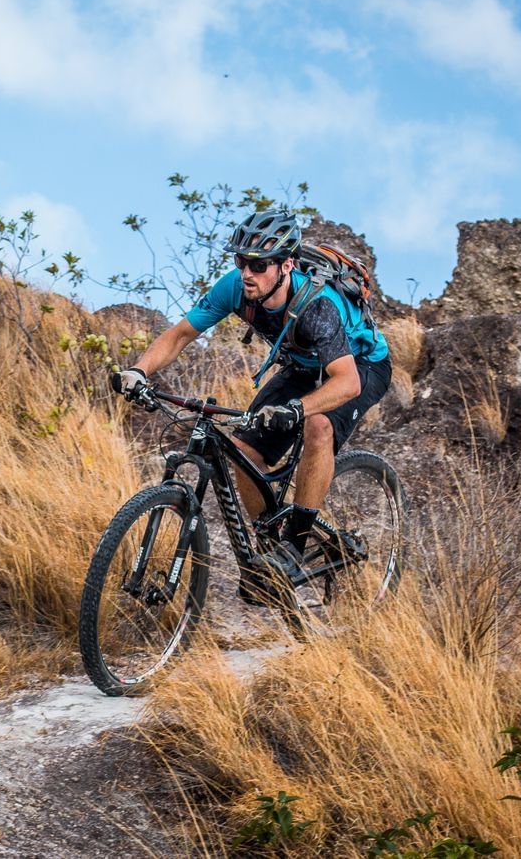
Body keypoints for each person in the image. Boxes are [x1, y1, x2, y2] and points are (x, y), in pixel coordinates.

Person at [115, 209, 391, 605]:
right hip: (302, 365)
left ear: (286, 265)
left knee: (317, 428)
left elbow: (347, 382)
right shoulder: (236, 288)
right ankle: (269, 545)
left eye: (259, 265)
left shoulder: (317, 306)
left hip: (360, 366)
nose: (247, 273)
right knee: (244, 450)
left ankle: (293, 552)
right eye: (241, 262)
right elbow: (180, 335)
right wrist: (138, 371)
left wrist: (296, 409)